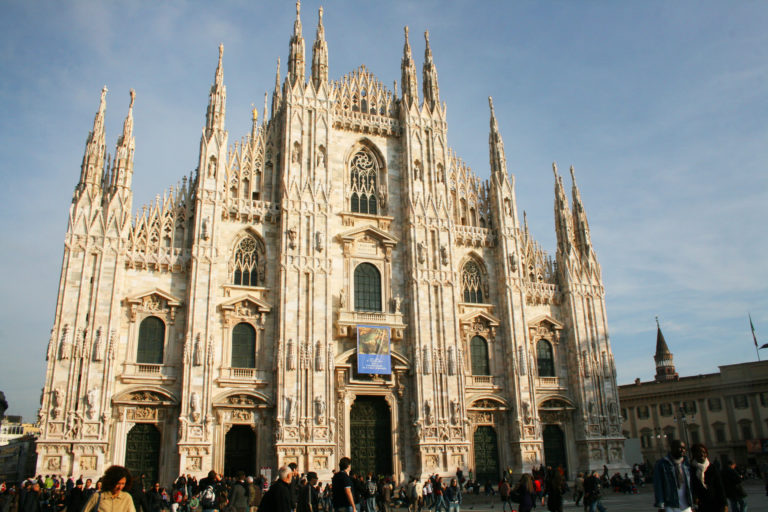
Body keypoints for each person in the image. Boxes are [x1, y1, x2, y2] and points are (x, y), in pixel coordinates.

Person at [653, 439, 693, 512]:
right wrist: (661, 505)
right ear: (672, 448)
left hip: (686, 504)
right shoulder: (662, 464)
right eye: (680, 448)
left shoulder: (687, 464)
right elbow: (658, 485)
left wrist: (693, 502)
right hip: (670, 504)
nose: (682, 450)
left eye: (684, 448)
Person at [689, 444, 726, 512]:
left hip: (715, 503)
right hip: (699, 505)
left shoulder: (712, 467)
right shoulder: (690, 469)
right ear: (694, 454)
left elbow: (720, 487)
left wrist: (724, 504)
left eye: (704, 452)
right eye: (699, 452)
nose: (702, 454)